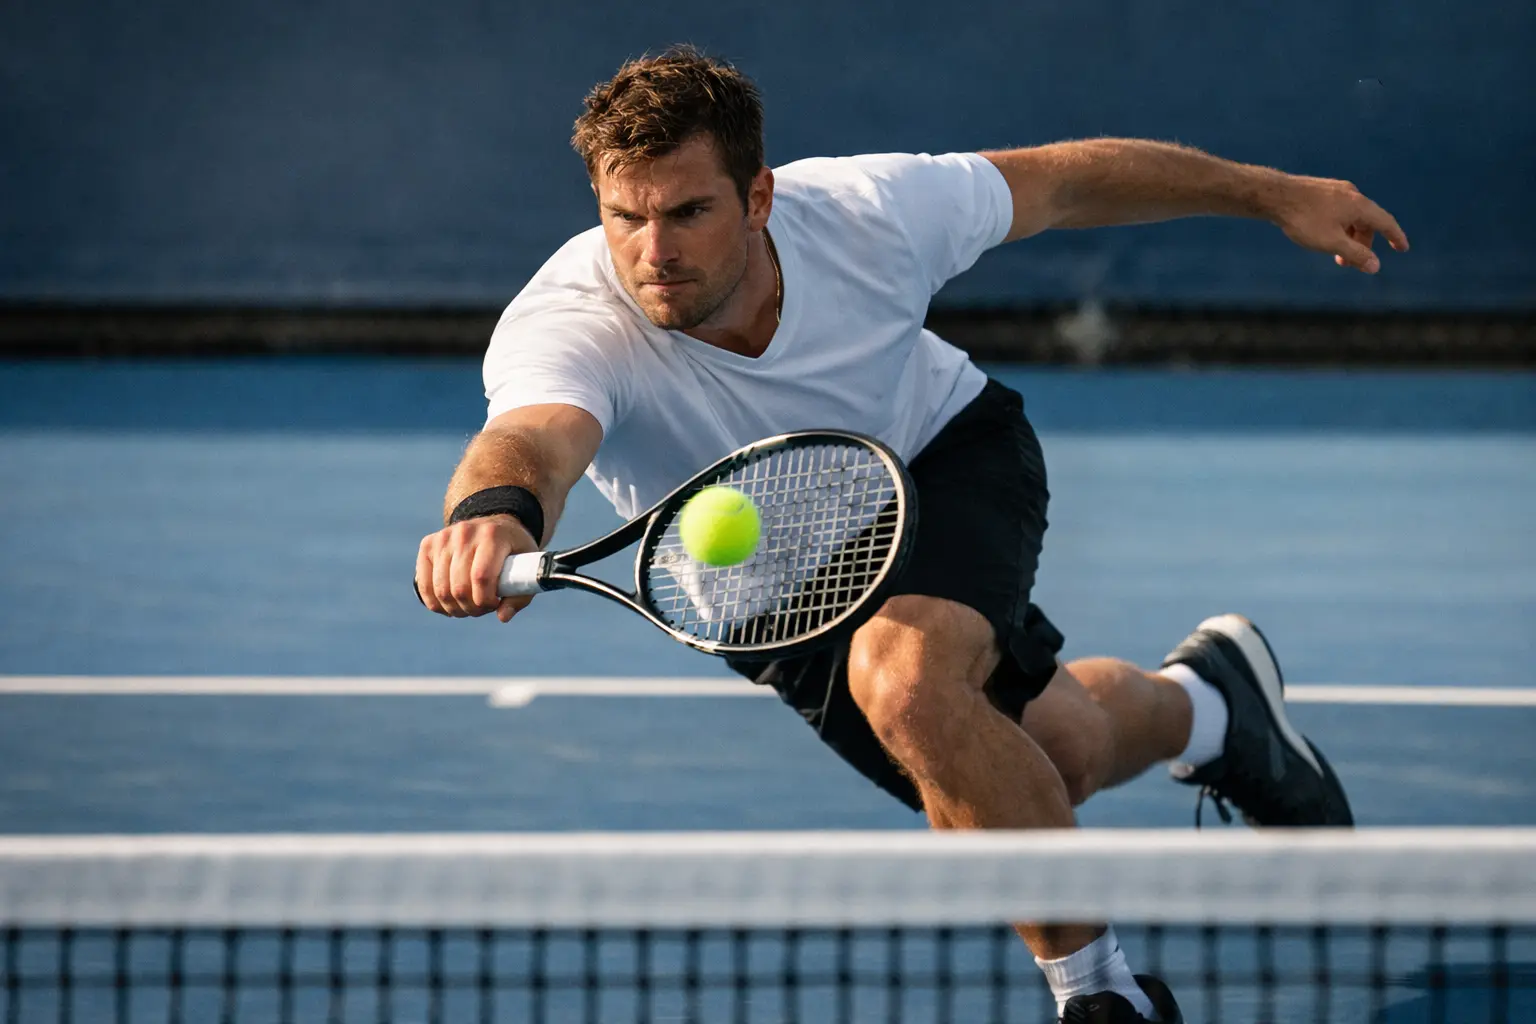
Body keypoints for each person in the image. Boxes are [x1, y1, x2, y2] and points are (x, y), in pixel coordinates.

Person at [414, 46, 1406, 1023]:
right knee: (1052, 762)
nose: (653, 250)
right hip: (776, 599)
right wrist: (490, 514)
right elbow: (531, 440)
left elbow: (1064, 184)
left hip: (938, 459)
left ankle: (1103, 997)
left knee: (906, 685)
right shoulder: (575, 320)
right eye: (624, 217)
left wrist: (1272, 192)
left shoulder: (865, 212)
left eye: (687, 212)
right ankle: (1211, 704)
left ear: (758, 198)